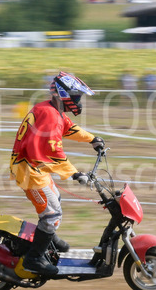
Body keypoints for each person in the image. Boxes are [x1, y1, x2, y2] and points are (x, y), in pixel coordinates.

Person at [9, 71, 105, 276]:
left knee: (55, 199)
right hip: (28, 170)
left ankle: (48, 238)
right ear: (63, 94)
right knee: (52, 214)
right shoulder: (50, 115)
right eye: (76, 97)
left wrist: (92, 139)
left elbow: (68, 128)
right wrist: (75, 173)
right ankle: (33, 259)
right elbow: (52, 151)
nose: (79, 102)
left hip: (33, 167)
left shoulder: (51, 109)